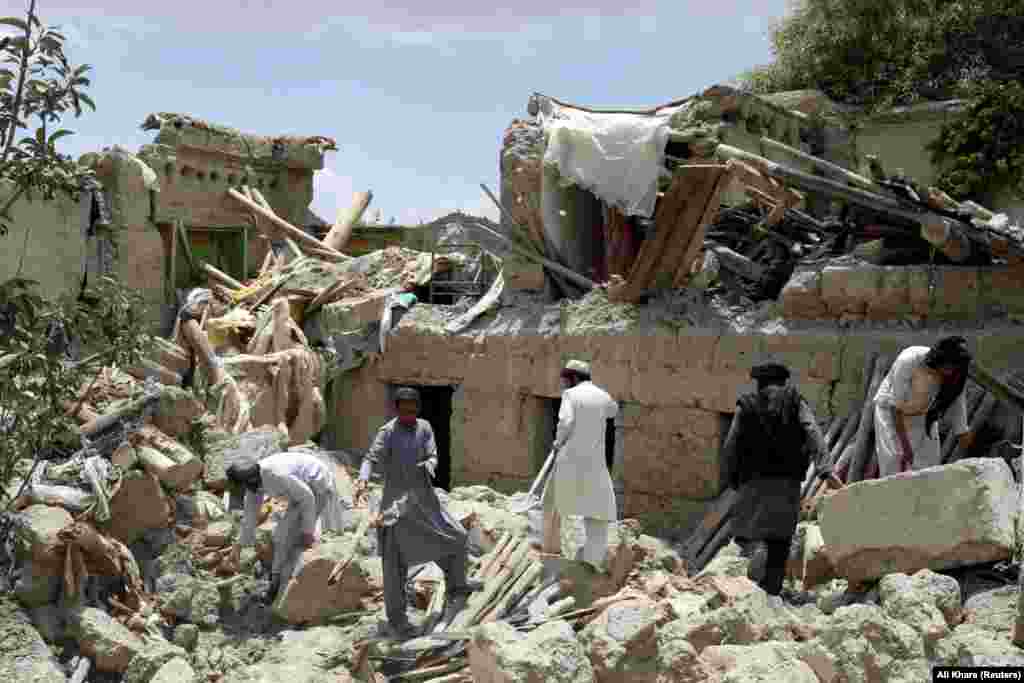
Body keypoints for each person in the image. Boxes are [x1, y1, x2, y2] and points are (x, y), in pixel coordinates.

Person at [353, 387, 482, 638]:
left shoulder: (424, 428)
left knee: (456, 537)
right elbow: (370, 458)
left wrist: (429, 465)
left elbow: (433, 454)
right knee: (395, 565)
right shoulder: (388, 432)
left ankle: (457, 586)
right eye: (405, 411)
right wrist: (362, 479)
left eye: (413, 411)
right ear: (396, 409)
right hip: (396, 507)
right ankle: (398, 621)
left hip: (424, 500)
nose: (410, 415)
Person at [721, 361, 828, 597]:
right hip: (786, 485)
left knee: (748, 535)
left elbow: (731, 444)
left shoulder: (747, 405)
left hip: (752, 484)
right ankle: (771, 594)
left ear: (759, 384)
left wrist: (730, 477)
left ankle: (752, 574)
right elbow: (812, 431)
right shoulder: (795, 402)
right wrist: (824, 469)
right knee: (779, 542)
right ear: (784, 382)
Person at [225, 451, 347, 603]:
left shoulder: (275, 475)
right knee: (281, 535)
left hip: (317, 482)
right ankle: (276, 582)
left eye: (240, 486)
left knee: (288, 536)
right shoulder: (254, 485)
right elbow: (249, 518)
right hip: (299, 492)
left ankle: (281, 586)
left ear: (248, 480)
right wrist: (237, 548)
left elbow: (307, 497)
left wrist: (307, 531)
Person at [541, 359, 619, 572]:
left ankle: (549, 550)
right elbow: (613, 411)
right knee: (597, 510)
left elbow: (565, 421)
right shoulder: (602, 395)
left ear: (573, 378)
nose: (563, 384)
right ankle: (592, 559)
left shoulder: (570, 395)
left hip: (570, 460)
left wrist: (558, 441)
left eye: (565, 379)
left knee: (553, 502)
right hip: (595, 463)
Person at [874, 336, 974, 477]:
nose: (951, 373)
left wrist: (962, 430)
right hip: (891, 415)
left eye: (954, 369)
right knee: (895, 463)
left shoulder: (956, 371)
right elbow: (895, 408)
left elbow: (957, 398)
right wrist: (906, 447)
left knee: (929, 465)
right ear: (939, 361)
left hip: (923, 415)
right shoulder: (909, 360)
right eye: (949, 368)